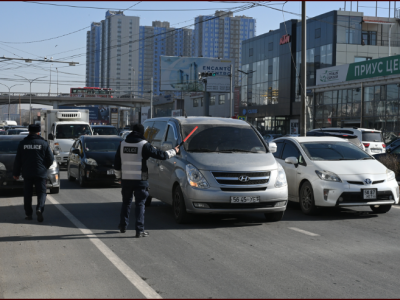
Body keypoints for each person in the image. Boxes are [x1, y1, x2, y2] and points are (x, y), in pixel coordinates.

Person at [114, 123, 179, 238]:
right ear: (142, 133)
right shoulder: (144, 145)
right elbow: (161, 155)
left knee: (126, 203)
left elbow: (117, 164)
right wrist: (174, 151)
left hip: (126, 180)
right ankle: (139, 230)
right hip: (140, 180)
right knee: (140, 204)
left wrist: (119, 177)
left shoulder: (122, 144)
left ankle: (123, 226)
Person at [13, 124, 54, 222]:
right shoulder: (43, 143)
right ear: (39, 132)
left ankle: (28, 214)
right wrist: (45, 167)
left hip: (27, 173)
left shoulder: (23, 143)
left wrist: (16, 173)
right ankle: (39, 208)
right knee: (41, 192)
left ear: (29, 131)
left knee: (27, 194)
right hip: (40, 173)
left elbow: (18, 160)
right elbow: (51, 158)